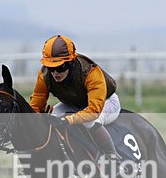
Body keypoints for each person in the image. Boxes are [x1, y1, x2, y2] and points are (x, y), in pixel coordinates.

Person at [29, 34, 121, 163]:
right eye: (51, 68)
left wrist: (70, 119)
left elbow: (94, 110)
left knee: (89, 121)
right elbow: (35, 106)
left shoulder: (90, 72)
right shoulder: (44, 75)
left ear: (71, 63)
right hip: (73, 104)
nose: (55, 73)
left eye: (60, 67)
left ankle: (113, 158)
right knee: (53, 117)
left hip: (105, 102)